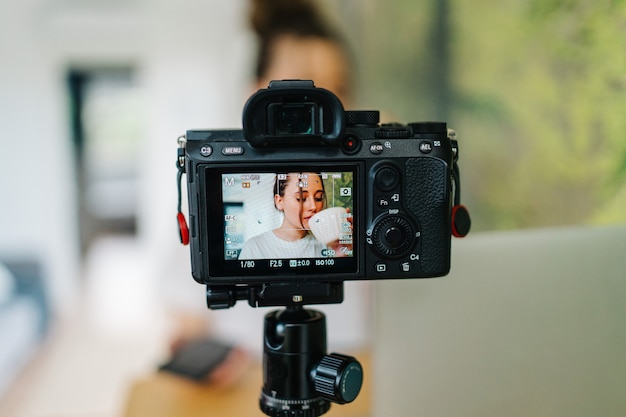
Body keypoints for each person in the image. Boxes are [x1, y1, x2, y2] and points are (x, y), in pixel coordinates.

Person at [239, 172, 328, 259]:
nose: (313, 206)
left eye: (318, 198)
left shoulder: (327, 246)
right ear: (279, 202)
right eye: (301, 198)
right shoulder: (254, 248)